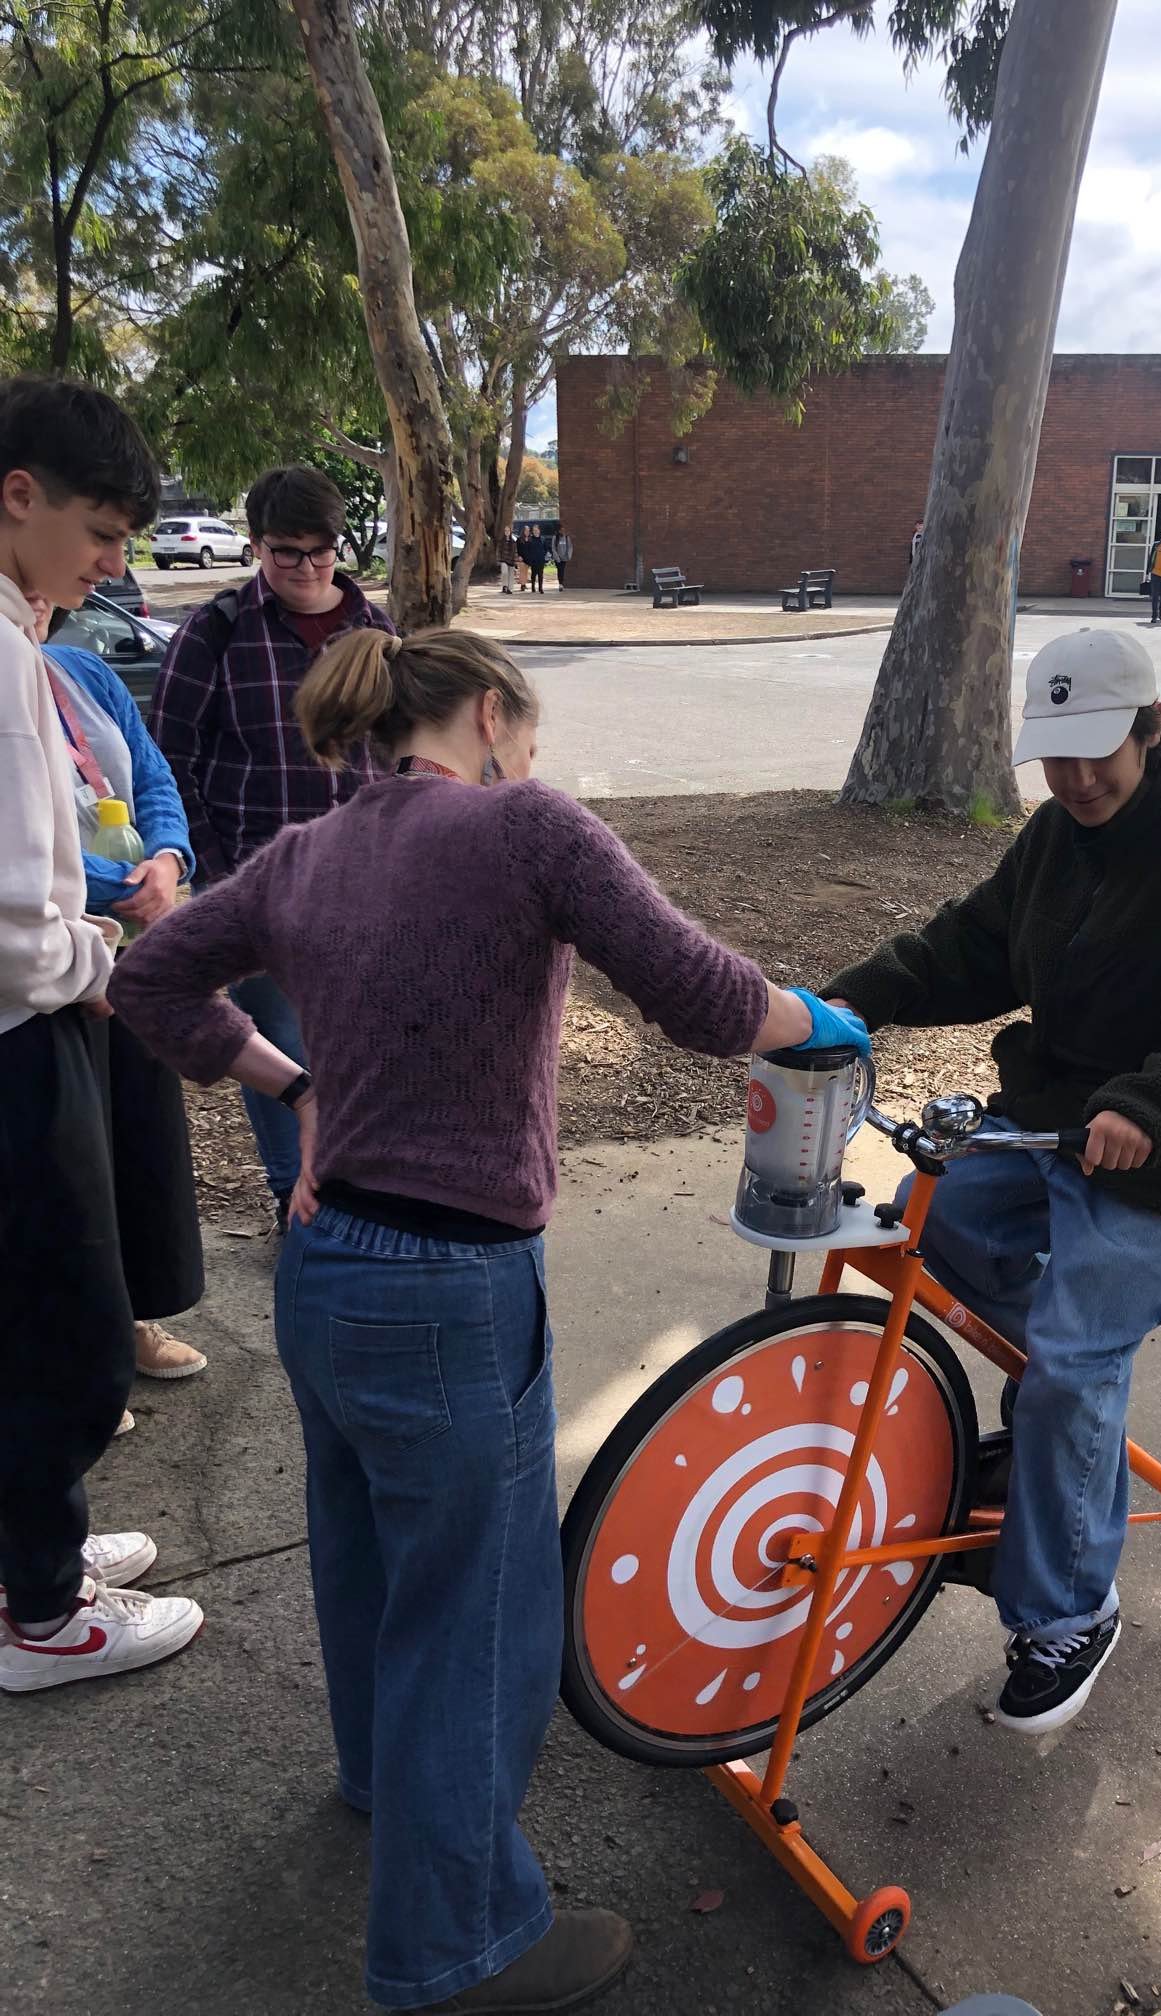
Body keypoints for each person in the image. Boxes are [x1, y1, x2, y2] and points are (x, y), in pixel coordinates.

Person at [110, 624, 869, 2013]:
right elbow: (704, 999)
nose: (532, 756)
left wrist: (293, 1091)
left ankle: (385, 1786)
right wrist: (824, 1016)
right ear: (488, 714)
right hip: (452, 1291)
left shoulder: (306, 850)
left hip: (327, 1271)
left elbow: (147, 979)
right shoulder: (526, 827)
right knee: (477, 1613)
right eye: (528, 731)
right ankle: (460, 1945)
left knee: (366, 1555)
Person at [822, 628, 1161, 1736]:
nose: (1078, 779)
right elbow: (971, 948)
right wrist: (848, 1004)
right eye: (1057, 756)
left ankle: (1070, 1612)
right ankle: (1068, 1423)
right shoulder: (1058, 836)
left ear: (1151, 727)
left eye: (1100, 752)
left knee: (1070, 1364)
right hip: (1057, 1129)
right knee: (926, 1223)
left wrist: (1152, 1111)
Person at [0, 373, 204, 1693]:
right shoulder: (10, 658)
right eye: (105, 535)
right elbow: (23, 924)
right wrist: (107, 958)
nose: (115, 564)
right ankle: (45, 1615)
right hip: (26, 1034)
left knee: (28, 1315)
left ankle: (37, 1554)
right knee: (67, 1328)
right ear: (18, 498)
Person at [151, 464, 394, 1231]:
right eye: (287, 552)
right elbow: (167, 758)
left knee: (358, 1043)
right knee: (281, 1057)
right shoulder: (216, 630)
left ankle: (355, 1191)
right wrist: (217, 869)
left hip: (365, 885)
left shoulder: (377, 634)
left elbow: (400, 753)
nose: (307, 568)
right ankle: (301, 1213)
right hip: (256, 888)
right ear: (256, 545)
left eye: (321, 551)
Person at [35, 597, 208, 1395]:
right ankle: (81, 1357)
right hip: (48, 963)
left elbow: (154, 772)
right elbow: (28, 849)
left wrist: (167, 860)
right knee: (68, 1166)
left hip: (131, 951)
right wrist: (121, 886)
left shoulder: (82, 671)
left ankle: (134, 1322)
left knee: (139, 1144)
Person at [525, 524, 546, 595]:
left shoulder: (542, 539)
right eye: (534, 530)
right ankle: (533, 587)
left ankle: (540, 588)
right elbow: (527, 549)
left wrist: (544, 554)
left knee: (541, 574)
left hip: (541, 559)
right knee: (533, 574)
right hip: (533, 560)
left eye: (536, 530)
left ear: (539, 531)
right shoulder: (530, 539)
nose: (535, 531)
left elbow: (546, 548)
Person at [552, 524, 571, 590]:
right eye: (561, 530)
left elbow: (569, 547)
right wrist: (557, 557)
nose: (562, 531)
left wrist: (568, 555)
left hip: (564, 557)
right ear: (558, 530)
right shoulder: (555, 537)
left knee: (562, 570)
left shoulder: (566, 537)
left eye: (563, 530)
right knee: (559, 570)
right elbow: (553, 548)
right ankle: (560, 584)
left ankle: (561, 583)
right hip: (558, 558)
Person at [499, 525, 517, 594]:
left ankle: (509, 589)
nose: (507, 532)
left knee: (511, 575)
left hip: (511, 560)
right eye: (505, 531)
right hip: (503, 559)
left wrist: (515, 561)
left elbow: (515, 552)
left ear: (510, 532)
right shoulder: (501, 541)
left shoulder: (513, 541)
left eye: (508, 531)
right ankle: (505, 586)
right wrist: (498, 560)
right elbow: (499, 551)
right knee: (505, 572)